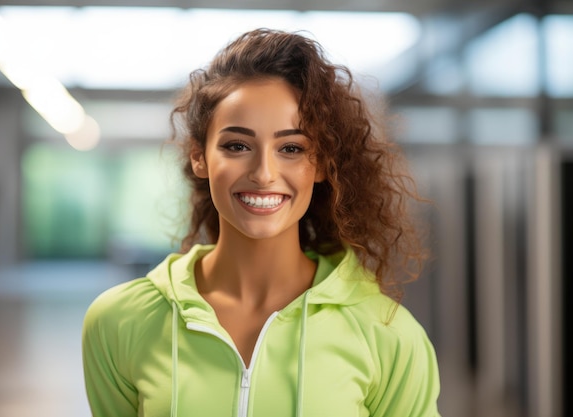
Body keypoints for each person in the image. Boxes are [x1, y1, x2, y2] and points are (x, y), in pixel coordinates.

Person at [82, 28, 441, 417]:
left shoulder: (387, 335)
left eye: (291, 148)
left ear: (320, 164)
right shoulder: (121, 321)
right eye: (237, 146)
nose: (264, 173)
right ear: (199, 157)